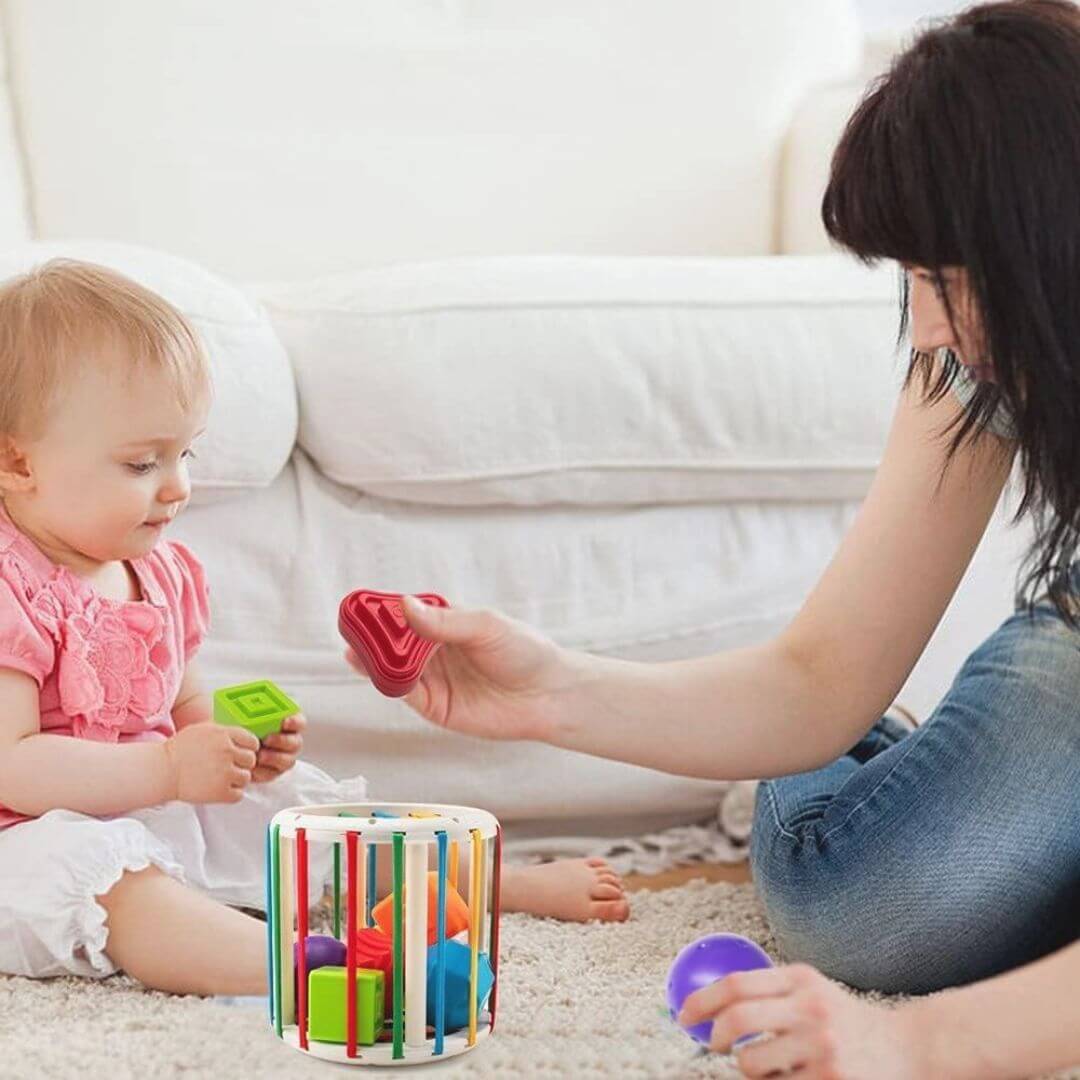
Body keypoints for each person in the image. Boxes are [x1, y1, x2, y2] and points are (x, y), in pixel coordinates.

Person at [345, 3, 1080, 1075]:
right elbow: (822, 678)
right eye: (914, 280)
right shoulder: (977, 355)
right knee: (876, 904)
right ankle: (880, 770)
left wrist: (914, 1045)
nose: (925, 329)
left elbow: (929, 1042)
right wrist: (552, 692)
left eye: (951, 283)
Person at [0, 260, 627, 997]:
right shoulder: (13, 589)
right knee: (114, 887)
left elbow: (183, 703)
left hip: (147, 801)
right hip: (29, 837)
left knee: (302, 813)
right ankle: (300, 974)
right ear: (18, 462)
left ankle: (492, 885)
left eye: (185, 453)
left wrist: (240, 749)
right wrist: (168, 770)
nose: (178, 487)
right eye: (142, 463)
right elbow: (14, 764)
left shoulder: (159, 570)